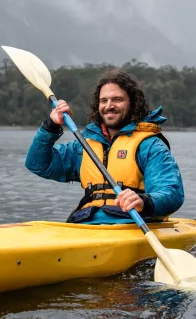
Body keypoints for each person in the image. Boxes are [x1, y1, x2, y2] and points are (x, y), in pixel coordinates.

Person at [24, 68, 184, 224]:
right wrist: (51, 126)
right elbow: (38, 164)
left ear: (133, 103)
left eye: (117, 99)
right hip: (86, 223)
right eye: (103, 100)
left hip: (131, 224)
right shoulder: (85, 146)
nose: (109, 106)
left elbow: (171, 193)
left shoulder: (149, 146)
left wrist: (144, 201)